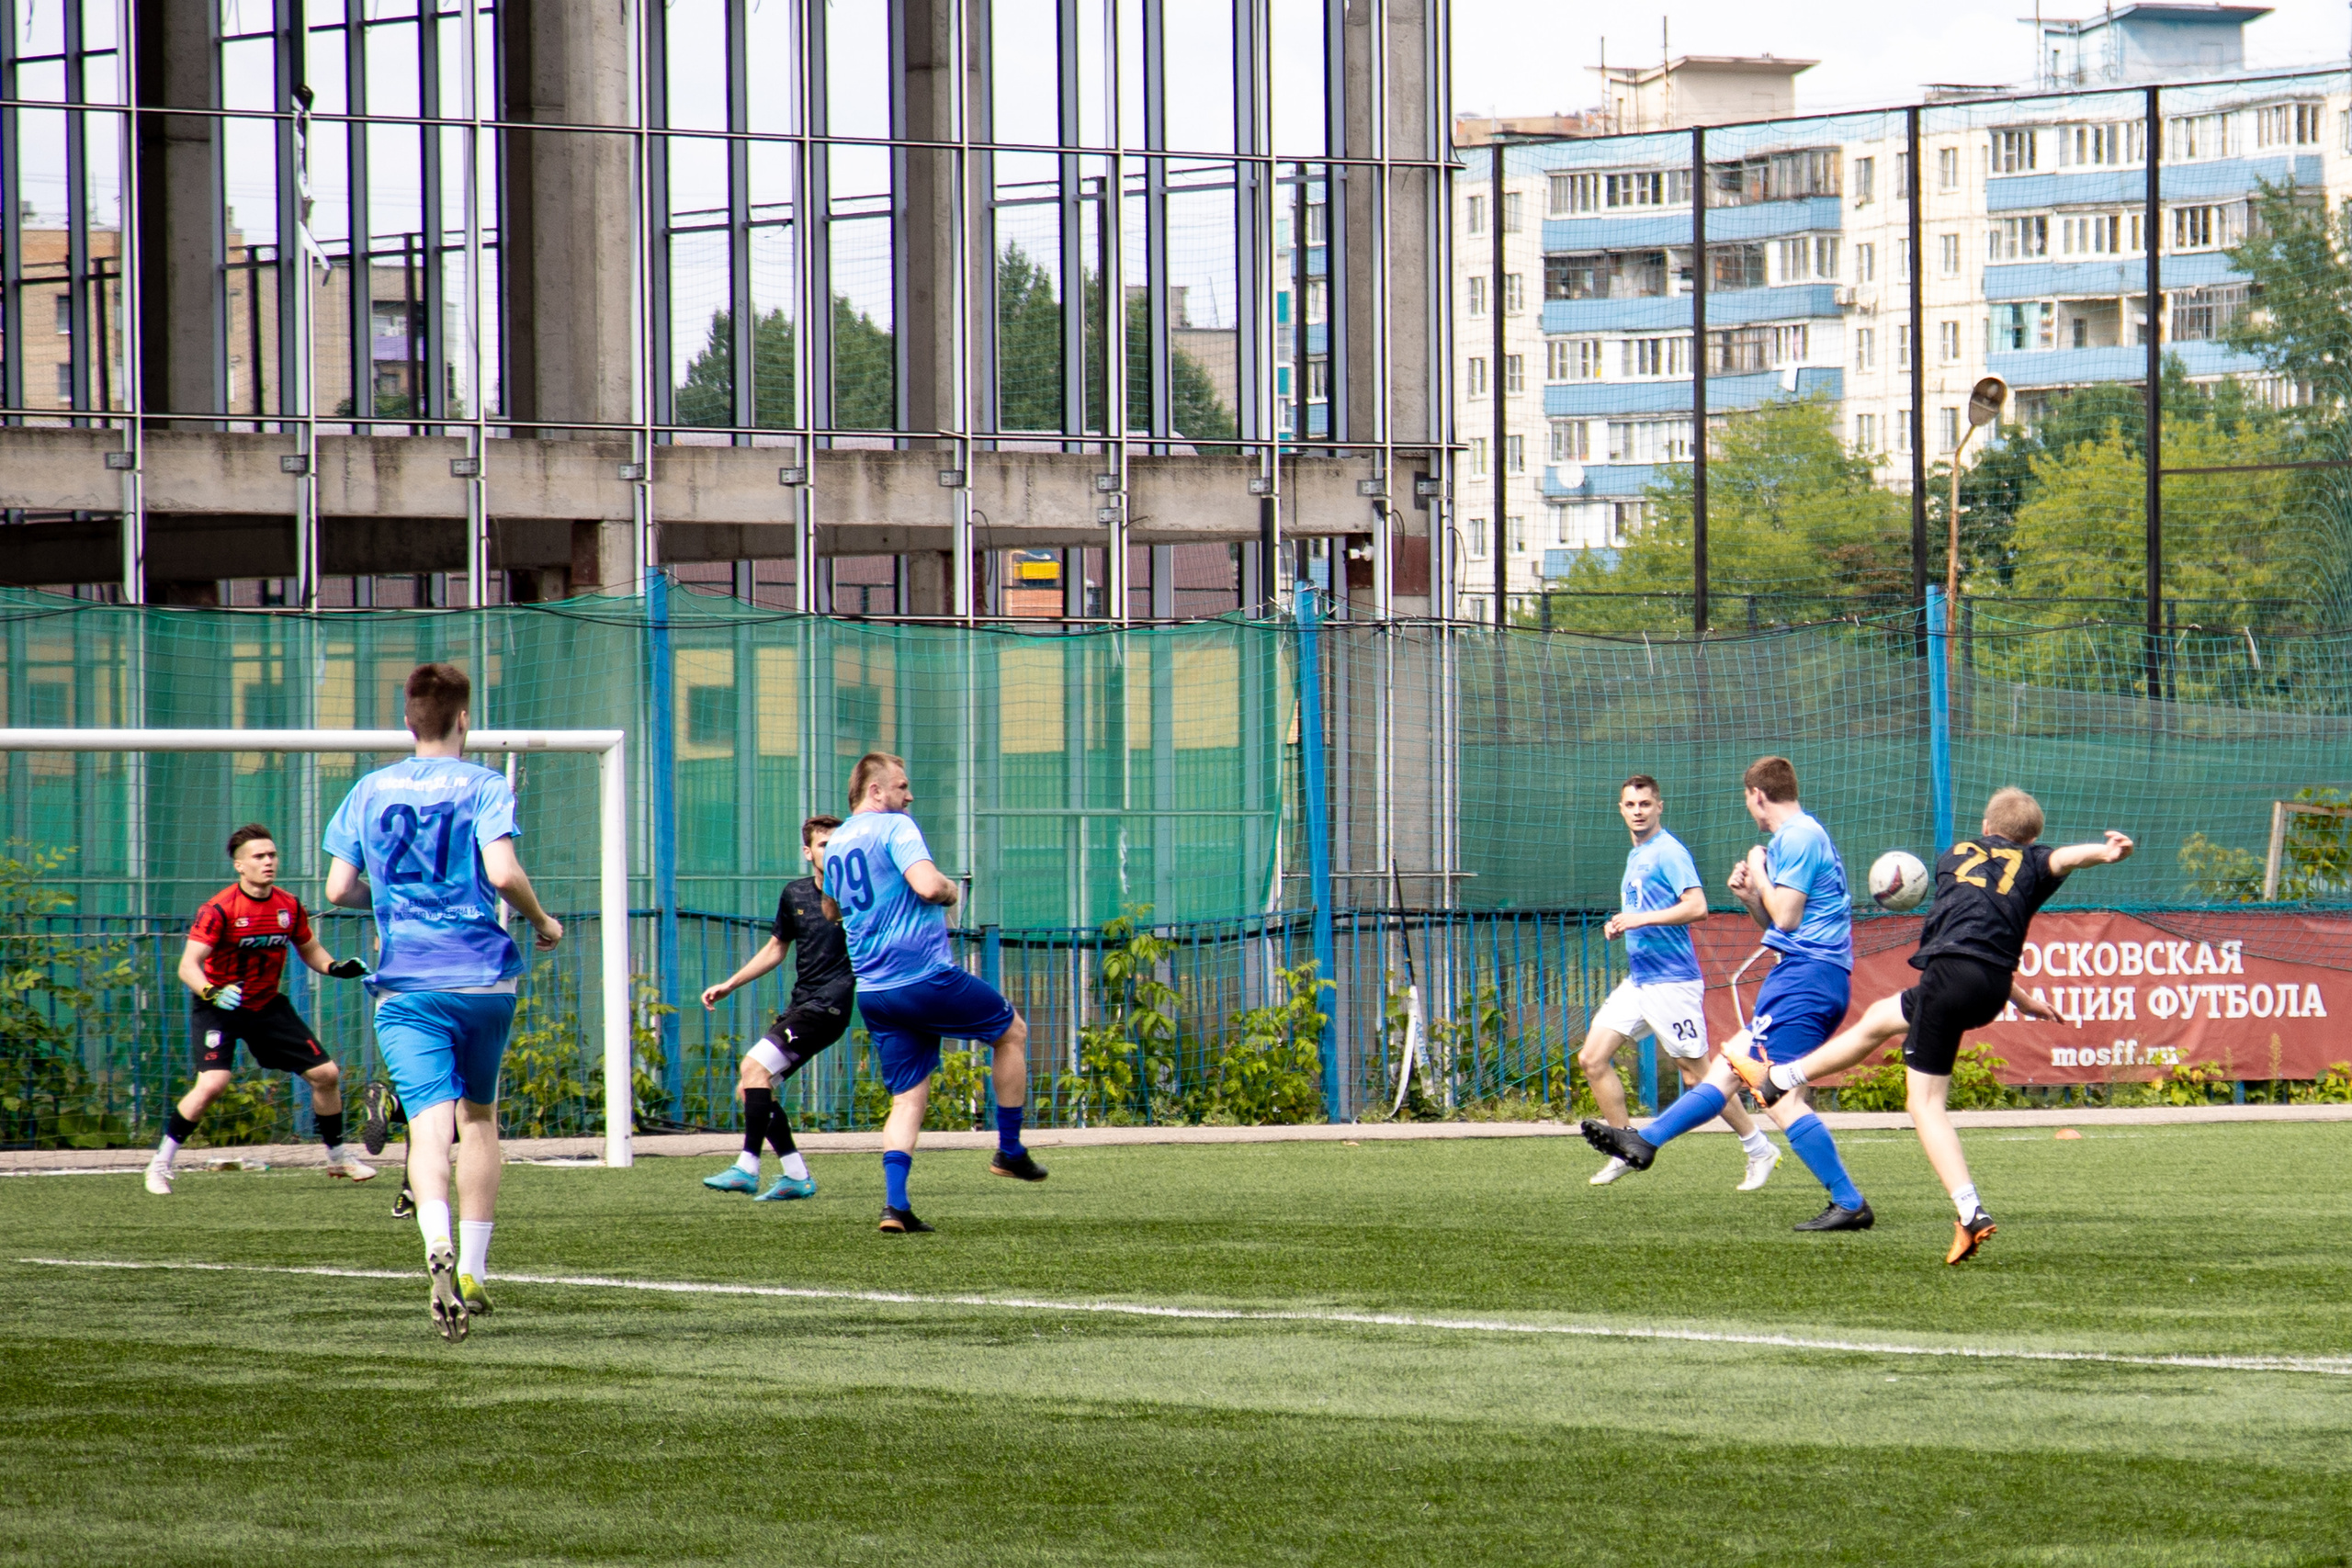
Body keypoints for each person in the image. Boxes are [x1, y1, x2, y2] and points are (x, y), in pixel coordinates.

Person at [1731, 788, 2134, 1262]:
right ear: (2032, 840)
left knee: (1924, 1103)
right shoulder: (2032, 861)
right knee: (1879, 1019)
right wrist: (2104, 853)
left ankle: (1970, 1212)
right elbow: (2064, 860)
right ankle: (1781, 1078)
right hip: (1987, 986)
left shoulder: (1952, 857)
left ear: (1985, 827)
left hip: (1948, 980)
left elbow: (1966, 931)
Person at [323, 662, 563, 1341]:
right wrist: (543, 922)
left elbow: (340, 888)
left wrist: (401, 900)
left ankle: (436, 1239)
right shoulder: (485, 784)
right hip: (484, 981)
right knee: (480, 1118)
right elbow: (502, 871)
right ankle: (476, 1269)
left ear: (408, 722)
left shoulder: (369, 789)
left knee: (429, 1124)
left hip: (407, 985)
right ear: (465, 720)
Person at [1582, 756, 1876, 1232]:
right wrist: (1751, 898)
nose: (1749, 809)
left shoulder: (1796, 837)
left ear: (1758, 794)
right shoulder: (1795, 838)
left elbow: (1787, 919)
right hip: (1799, 973)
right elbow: (1779, 920)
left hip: (1809, 978)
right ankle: (1644, 1141)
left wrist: (1759, 866)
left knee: (1776, 1093)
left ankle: (1848, 1201)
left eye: (1747, 799)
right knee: (1726, 1068)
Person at [822, 751, 1044, 1234]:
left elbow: (831, 910)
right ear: (876, 792)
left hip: (875, 991)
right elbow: (926, 886)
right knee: (1012, 1032)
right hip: (922, 977)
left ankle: (895, 1206)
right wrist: (949, 890)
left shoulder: (837, 841)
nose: (909, 795)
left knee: (908, 1099)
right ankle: (1009, 1151)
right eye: (901, 786)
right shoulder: (897, 826)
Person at [144, 825, 376, 1196]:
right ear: (239, 865)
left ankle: (337, 1157)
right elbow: (188, 965)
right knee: (213, 1084)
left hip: (266, 1005)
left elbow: (310, 948)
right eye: (258, 856)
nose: (268, 862)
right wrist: (212, 991)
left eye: (272, 855)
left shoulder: (288, 905)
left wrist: (334, 967)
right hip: (218, 1006)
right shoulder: (219, 909)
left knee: (326, 1074)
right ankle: (160, 1164)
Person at [1580, 775, 1781, 1192]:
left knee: (1700, 1078)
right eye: (1630, 804)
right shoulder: (1637, 855)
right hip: (1641, 980)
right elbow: (1643, 910)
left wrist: (1638, 919)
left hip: (1672, 982)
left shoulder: (1669, 852)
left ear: (1659, 807)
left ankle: (1758, 1146)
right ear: (1621, 809)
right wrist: (1621, 924)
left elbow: (1697, 906)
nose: (1637, 810)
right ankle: (1625, 1147)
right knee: (1592, 1059)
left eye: (1645, 804)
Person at [700, 815, 853, 1201]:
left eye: (838, 844)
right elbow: (775, 949)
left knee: (753, 1067)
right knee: (751, 1088)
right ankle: (796, 1176)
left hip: (830, 1006)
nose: (831, 851)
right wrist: (730, 984)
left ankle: (747, 1166)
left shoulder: (858, 896)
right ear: (807, 852)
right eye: (823, 845)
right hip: (803, 1003)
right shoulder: (795, 894)